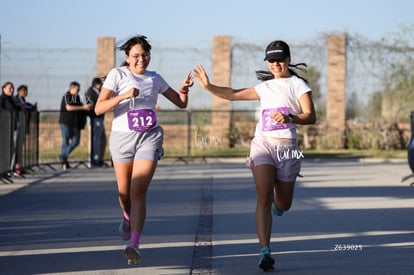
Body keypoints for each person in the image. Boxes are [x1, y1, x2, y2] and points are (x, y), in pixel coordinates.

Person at [193, 40, 316, 271]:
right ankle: (264, 251)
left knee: (284, 203)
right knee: (263, 195)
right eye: (271, 60)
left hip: (288, 148)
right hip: (262, 145)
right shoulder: (264, 87)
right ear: (267, 63)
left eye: (280, 59)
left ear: (288, 59)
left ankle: (277, 207)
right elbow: (232, 94)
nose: (276, 64)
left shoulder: (297, 84)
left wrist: (291, 117)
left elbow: (310, 116)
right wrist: (208, 86)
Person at [94, 35, 193, 266]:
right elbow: (99, 108)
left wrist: (184, 90)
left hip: (149, 137)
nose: (141, 59)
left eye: (145, 54)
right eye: (136, 56)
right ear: (127, 58)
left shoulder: (155, 78)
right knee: (124, 194)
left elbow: (180, 103)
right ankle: (127, 217)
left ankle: (134, 245)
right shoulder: (117, 75)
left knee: (138, 191)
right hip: (122, 140)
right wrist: (123, 96)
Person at [58, 81, 91, 170]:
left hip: (75, 124)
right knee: (65, 141)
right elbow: (68, 107)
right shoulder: (67, 96)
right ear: (72, 88)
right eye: (77, 89)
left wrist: (87, 108)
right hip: (66, 123)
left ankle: (62, 156)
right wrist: (83, 107)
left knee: (76, 142)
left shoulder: (77, 98)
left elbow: (81, 108)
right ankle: (64, 161)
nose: (78, 91)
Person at [1, 81, 24, 175]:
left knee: (12, 149)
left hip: (13, 127)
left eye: (12, 88)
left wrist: (21, 107)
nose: (11, 90)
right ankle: (5, 169)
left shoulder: (12, 100)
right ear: (4, 89)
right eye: (9, 88)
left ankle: (10, 168)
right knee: (5, 149)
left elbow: (16, 108)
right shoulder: (2, 99)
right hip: (5, 128)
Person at [85, 77, 106, 167]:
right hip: (94, 117)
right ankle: (93, 158)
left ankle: (98, 158)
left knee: (100, 139)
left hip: (99, 118)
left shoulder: (98, 92)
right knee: (94, 139)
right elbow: (91, 105)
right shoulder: (90, 92)